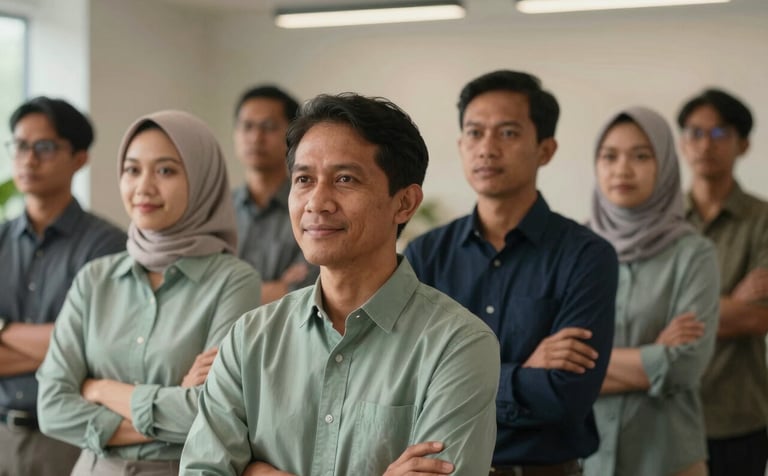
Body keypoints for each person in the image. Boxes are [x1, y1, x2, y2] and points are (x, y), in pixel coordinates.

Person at [179, 93, 500, 476]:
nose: (317, 202)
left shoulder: (458, 344)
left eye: (345, 179)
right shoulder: (250, 338)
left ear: (405, 203)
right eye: (304, 180)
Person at [404, 70, 618, 476]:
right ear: (460, 144)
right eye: (474, 133)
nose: (486, 149)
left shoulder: (588, 256)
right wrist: (522, 374)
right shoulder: (426, 253)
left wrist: (460, 378)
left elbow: (566, 395)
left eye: (507, 133)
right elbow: (407, 380)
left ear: (546, 149)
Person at [36, 110, 262, 475]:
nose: (143, 187)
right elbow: (51, 408)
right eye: (132, 169)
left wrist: (101, 389)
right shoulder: (95, 278)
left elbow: (214, 412)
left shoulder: (233, 281)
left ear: (203, 179)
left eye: (166, 170)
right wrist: (171, 407)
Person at [582, 106, 719, 476]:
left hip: (668, 459)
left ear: (665, 165)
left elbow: (684, 365)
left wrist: (586, 367)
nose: (622, 169)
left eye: (641, 156)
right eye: (609, 156)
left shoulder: (693, 254)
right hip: (583, 461)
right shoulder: (573, 249)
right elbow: (547, 367)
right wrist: (653, 356)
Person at [0, 97, 126, 476]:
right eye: (20, 145)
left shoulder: (108, 246)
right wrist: (62, 346)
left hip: (67, 440)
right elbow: (73, 346)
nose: (28, 158)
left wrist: (4, 331)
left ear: (79, 157)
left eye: (45, 147)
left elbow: (95, 347)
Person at [678, 88, 768, 476]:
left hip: (738, 415)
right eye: (695, 133)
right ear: (682, 142)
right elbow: (640, 312)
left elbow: (759, 319)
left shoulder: (762, 220)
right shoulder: (661, 223)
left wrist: (679, 315)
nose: (705, 145)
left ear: (743, 144)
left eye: (719, 134)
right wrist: (734, 300)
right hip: (667, 411)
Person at [232, 85, 318, 303]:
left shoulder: (312, 206)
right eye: (247, 126)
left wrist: (228, 295)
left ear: (294, 136)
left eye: (268, 127)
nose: (255, 137)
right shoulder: (216, 209)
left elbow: (304, 292)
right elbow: (203, 292)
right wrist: (276, 287)